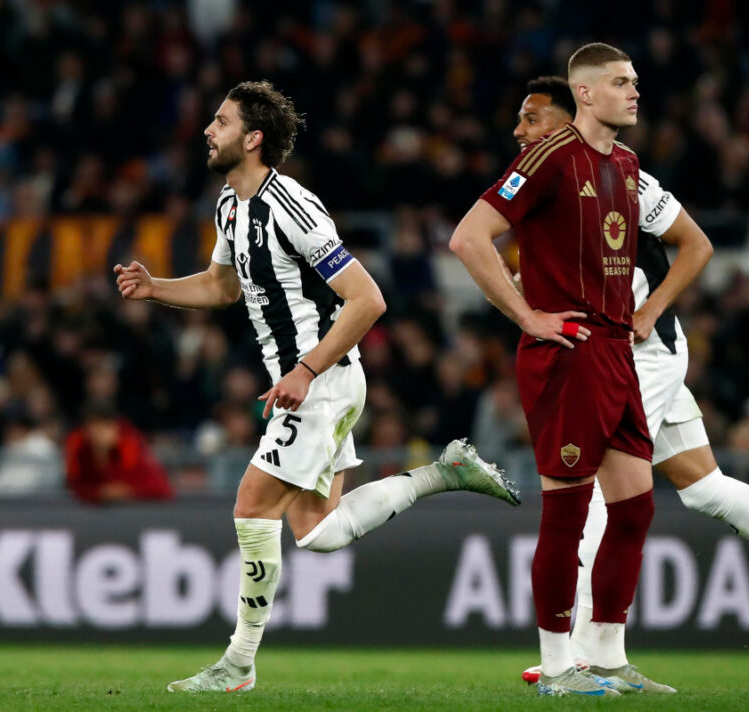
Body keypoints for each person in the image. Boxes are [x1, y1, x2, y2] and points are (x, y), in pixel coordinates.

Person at [114, 81, 519, 693]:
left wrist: (305, 371)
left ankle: (238, 665)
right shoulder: (229, 205)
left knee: (252, 505)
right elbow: (223, 287)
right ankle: (444, 473)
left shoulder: (292, 206)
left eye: (221, 122)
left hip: (320, 378)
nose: (208, 130)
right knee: (318, 532)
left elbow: (368, 298)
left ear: (253, 138)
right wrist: (156, 289)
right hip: (313, 382)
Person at [507, 76, 749, 688]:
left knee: (597, 493)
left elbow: (696, 244)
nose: (520, 131)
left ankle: (583, 653)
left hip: (641, 352)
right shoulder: (549, 179)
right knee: (704, 488)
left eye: (533, 119)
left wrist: (650, 310)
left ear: (571, 120)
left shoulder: (624, 176)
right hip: (621, 353)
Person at [451, 44, 679, 697]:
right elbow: (469, 237)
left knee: (634, 508)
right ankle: (556, 668)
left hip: (616, 350)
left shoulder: (627, 164)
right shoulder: (548, 157)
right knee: (568, 512)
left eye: (635, 81)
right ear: (585, 93)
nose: (634, 92)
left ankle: (605, 655)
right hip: (568, 351)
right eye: (620, 82)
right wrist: (527, 315)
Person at [65, 400, 173, 503]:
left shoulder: (130, 444)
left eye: (105, 426)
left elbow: (162, 488)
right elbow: (76, 486)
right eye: (93, 425)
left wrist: (127, 491)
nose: (98, 432)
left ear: (115, 427)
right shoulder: (79, 448)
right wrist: (99, 492)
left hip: (134, 511)